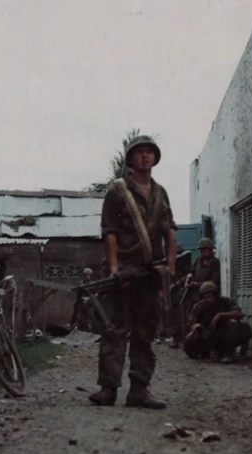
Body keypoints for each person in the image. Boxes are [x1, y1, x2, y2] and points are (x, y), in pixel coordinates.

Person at [88, 135, 177, 409]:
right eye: (140, 153)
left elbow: (170, 231)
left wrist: (170, 268)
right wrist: (114, 269)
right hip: (123, 273)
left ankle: (139, 389)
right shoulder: (118, 190)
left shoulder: (161, 193)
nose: (145, 157)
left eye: (150, 152)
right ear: (130, 159)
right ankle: (108, 389)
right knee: (115, 329)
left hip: (149, 274)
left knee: (144, 332)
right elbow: (109, 233)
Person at [184, 281, 252, 363]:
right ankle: (207, 352)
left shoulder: (224, 301)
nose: (208, 299)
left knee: (241, 327)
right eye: (205, 297)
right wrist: (196, 326)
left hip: (225, 332)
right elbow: (191, 322)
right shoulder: (199, 306)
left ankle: (229, 352)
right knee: (191, 338)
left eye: (210, 296)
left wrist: (220, 315)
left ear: (215, 295)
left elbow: (238, 313)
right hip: (209, 334)